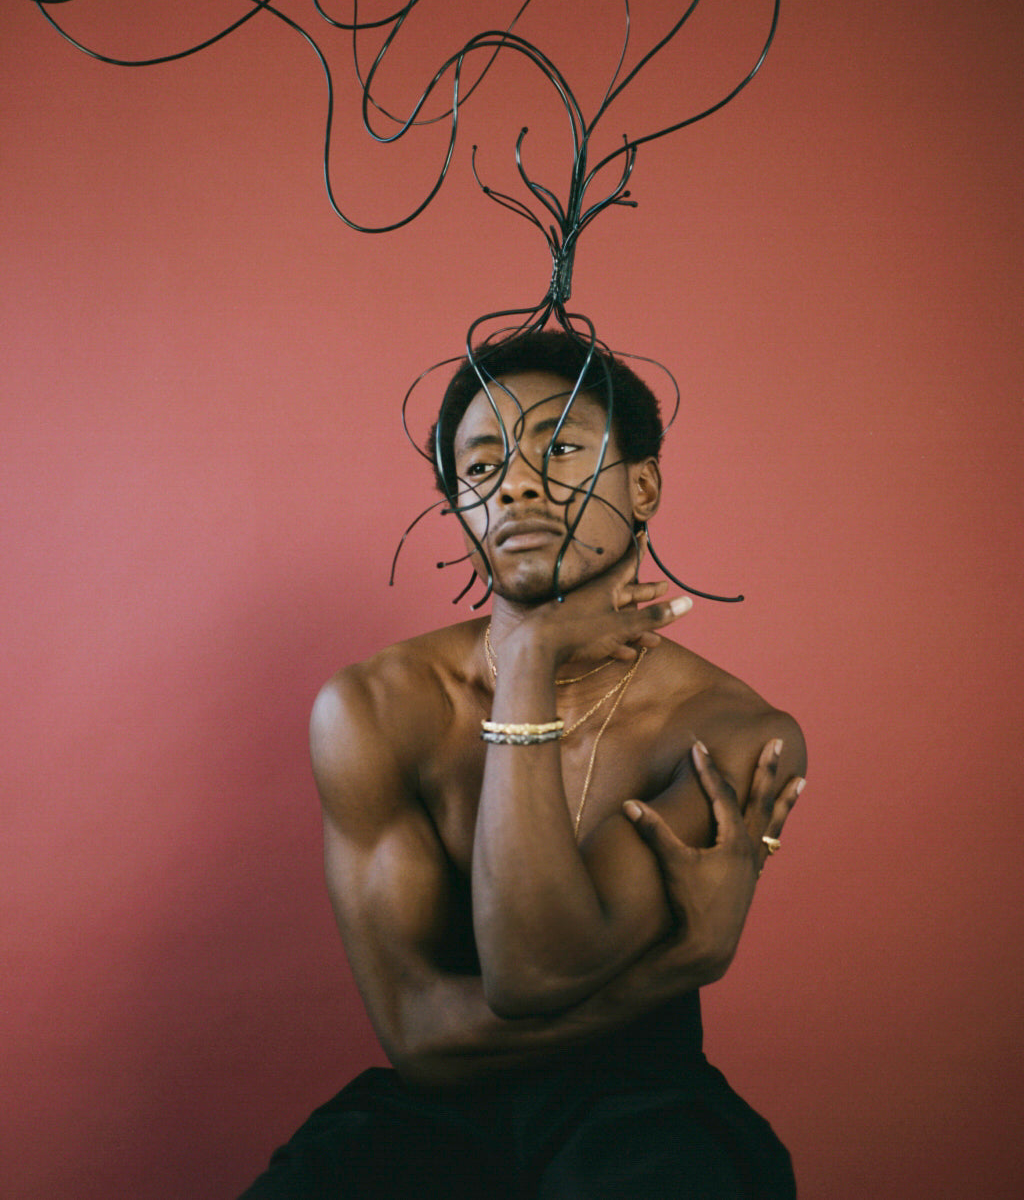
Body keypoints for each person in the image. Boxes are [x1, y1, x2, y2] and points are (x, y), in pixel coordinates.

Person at [241, 331, 806, 1198]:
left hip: (645, 1115)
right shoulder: (376, 707)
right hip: (434, 1115)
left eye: (563, 447)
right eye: (479, 467)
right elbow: (420, 1040)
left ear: (643, 486)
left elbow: (531, 972)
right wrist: (677, 966)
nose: (514, 482)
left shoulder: (729, 733)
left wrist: (530, 662)